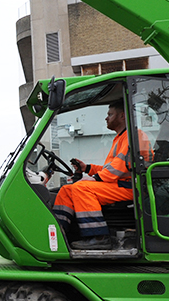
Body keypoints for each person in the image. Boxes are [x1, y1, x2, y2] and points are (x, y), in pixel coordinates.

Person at [52, 101, 150, 250]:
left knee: (81, 188)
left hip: (131, 186)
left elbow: (118, 167)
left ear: (122, 116)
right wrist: (88, 168)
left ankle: (99, 237)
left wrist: (94, 178)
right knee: (67, 190)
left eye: (110, 114)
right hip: (120, 183)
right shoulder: (121, 138)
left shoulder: (133, 136)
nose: (106, 118)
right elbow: (110, 168)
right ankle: (59, 232)